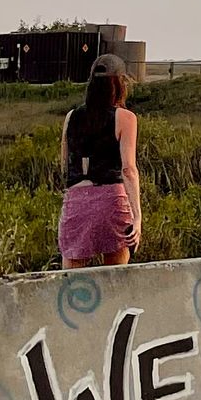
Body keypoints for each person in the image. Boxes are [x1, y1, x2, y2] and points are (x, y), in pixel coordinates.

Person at [58, 54, 140, 268]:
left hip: (76, 200)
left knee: (72, 280)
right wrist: (137, 217)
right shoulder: (125, 117)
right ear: (120, 84)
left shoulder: (71, 117)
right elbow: (128, 169)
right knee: (116, 276)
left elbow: (64, 162)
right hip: (111, 199)